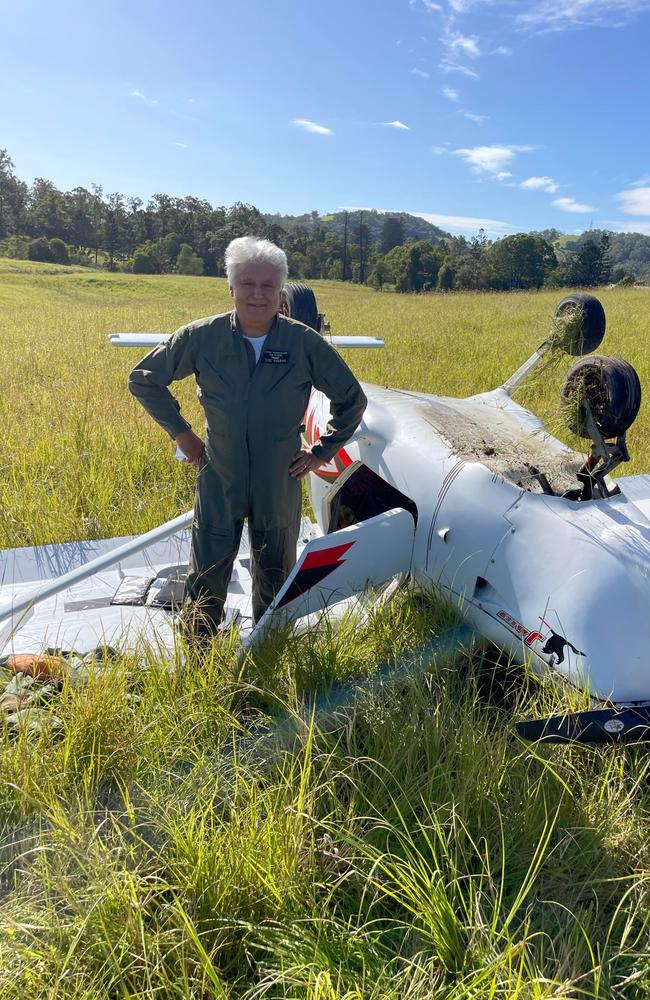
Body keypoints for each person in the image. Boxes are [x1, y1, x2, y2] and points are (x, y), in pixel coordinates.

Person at [128, 236, 367, 631]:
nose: (258, 294)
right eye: (248, 284)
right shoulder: (203, 336)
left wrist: (321, 452)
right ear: (231, 288)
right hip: (220, 474)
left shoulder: (302, 342)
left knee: (277, 572)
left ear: (280, 292)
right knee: (207, 572)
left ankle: (268, 650)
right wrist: (182, 434)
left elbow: (352, 400)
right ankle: (201, 654)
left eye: (268, 286)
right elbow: (144, 379)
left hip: (280, 478)